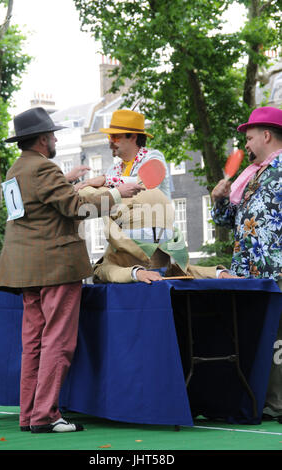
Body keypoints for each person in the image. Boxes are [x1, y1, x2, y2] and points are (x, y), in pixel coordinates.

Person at [0, 107, 144, 434]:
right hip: (56, 267)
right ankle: (46, 416)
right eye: (54, 135)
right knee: (58, 341)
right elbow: (75, 209)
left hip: (27, 270)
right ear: (43, 140)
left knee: (33, 343)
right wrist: (118, 192)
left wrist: (76, 182)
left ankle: (30, 414)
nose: (57, 139)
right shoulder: (45, 169)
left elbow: (37, 209)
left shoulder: (15, 170)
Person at [211, 106, 282, 421]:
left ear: (266, 135)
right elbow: (228, 221)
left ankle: (278, 403)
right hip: (246, 273)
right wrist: (220, 199)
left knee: (279, 338)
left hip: (275, 269)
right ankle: (263, 399)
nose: (245, 146)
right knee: (260, 336)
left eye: (250, 138)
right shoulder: (249, 173)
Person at [77, 185, 232, 284]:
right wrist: (135, 273)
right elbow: (105, 271)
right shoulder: (116, 256)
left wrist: (219, 273)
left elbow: (180, 271)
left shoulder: (161, 247)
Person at [75, 109, 172, 199]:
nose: (111, 142)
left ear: (133, 137)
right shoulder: (112, 171)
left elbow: (145, 184)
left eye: (116, 137)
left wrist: (105, 180)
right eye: (110, 137)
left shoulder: (154, 158)